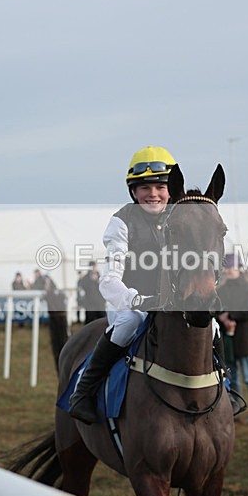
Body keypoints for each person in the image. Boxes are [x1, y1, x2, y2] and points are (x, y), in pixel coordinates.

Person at [68, 145, 178, 424]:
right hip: (130, 302)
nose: (153, 194)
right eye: (144, 188)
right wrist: (138, 300)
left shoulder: (180, 217)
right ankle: (83, 391)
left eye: (160, 186)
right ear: (133, 192)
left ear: (171, 189)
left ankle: (225, 387)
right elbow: (109, 281)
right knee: (128, 322)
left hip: (170, 301)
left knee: (209, 326)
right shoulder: (121, 222)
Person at [217, 254, 248, 422]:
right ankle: (236, 410)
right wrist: (220, 317)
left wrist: (229, 315)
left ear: (239, 268)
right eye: (226, 267)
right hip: (227, 341)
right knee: (232, 377)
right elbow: (216, 310)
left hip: (244, 340)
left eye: (231, 267)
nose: (228, 270)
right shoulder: (221, 290)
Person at [44, 274, 69, 370]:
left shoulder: (56, 294)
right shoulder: (52, 294)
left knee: (62, 344)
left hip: (60, 321)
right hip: (55, 321)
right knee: (57, 347)